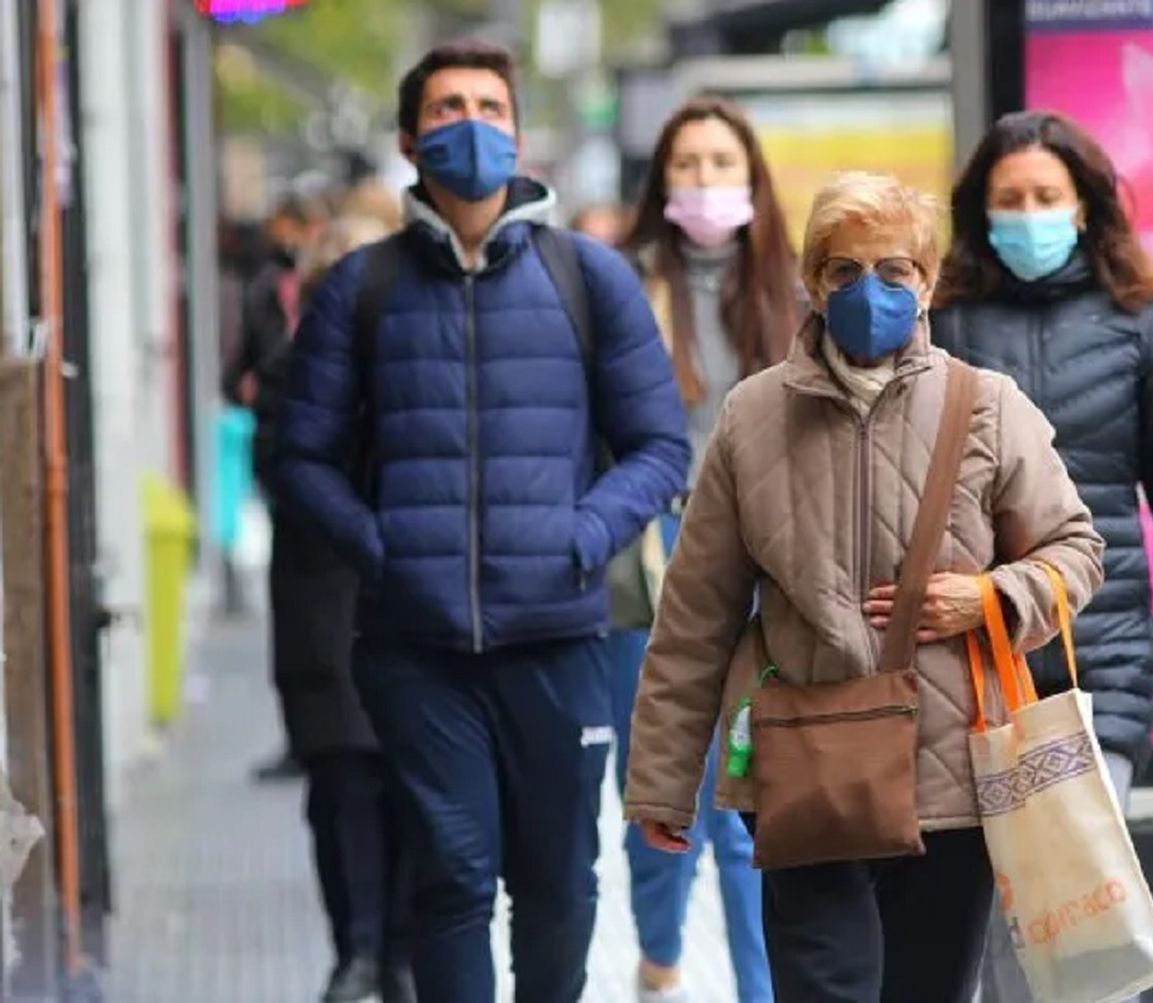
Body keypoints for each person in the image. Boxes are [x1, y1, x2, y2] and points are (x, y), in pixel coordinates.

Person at [624, 172, 1105, 1003]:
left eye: (894, 269)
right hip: (804, 769)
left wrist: (991, 596)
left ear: (927, 284)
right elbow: (694, 615)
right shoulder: (752, 417)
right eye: (843, 271)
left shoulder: (987, 406)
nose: (868, 290)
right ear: (812, 283)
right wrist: (666, 782)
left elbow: (1076, 549)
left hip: (950, 781)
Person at [275, 40, 690, 1003]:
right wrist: (381, 549)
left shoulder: (591, 278)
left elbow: (660, 449)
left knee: (558, 885)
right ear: (411, 139)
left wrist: (582, 539)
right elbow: (300, 459)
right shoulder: (361, 290)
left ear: (518, 131)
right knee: (453, 879)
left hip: (560, 640)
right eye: (449, 107)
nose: (471, 125)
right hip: (414, 649)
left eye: (490, 108)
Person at [928, 111, 1153, 1002]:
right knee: (989, 908)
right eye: (1010, 200)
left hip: (1104, 658)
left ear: (1085, 207)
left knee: (1076, 902)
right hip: (976, 661)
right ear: (981, 213)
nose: (1030, 214)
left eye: (1048, 196)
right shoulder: (947, 320)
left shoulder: (1139, 319)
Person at [605, 96, 799, 1003]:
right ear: (661, 180)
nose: (705, 181)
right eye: (686, 165)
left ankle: (762, 992)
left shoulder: (795, 291)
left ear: (753, 177)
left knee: (752, 798)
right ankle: (659, 954)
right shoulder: (619, 283)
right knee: (660, 785)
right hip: (654, 552)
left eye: (722, 163)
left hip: (768, 559)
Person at [254, 205, 416, 1003]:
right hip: (321, 605)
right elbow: (278, 473)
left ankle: (404, 953)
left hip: (407, 601)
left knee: (412, 785)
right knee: (344, 787)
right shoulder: (290, 373)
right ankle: (357, 950)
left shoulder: (426, 370)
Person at [224, 191, 328, 782]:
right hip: (286, 468)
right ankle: (305, 737)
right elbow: (243, 364)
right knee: (299, 619)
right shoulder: (269, 288)